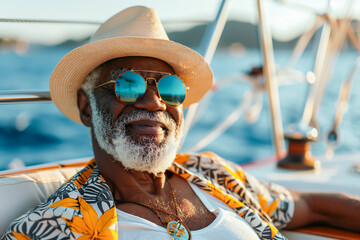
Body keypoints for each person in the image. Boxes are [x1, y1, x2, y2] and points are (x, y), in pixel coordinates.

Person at [2, 6, 360, 240]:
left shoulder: (214, 173)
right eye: (128, 84)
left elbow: (311, 206)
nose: (154, 101)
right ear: (86, 107)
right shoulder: (55, 226)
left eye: (170, 89)